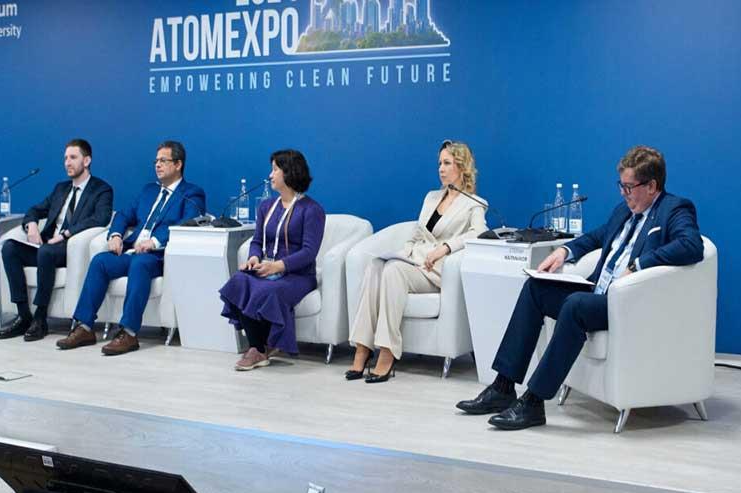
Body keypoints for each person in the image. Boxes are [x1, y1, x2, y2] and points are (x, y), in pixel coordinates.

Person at [456, 145, 704, 430]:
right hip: (597, 294)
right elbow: (597, 237)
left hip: (627, 302)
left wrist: (639, 265)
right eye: (621, 186)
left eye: (629, 187)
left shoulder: (674, 209)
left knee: (575, 305)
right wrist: (564, 251)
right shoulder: (623, 211)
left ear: (651, 186)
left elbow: (691, 245)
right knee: (535, 288)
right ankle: (503, 387)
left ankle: (534, 402)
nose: (624, 194)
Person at [347, 140, 488, 383]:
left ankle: (388, 352)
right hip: (415, 262)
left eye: (447, 163)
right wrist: (403, 253)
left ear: (461, 166)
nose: (441, 169)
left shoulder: (474, 203)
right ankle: (363, 347)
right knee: (376, 265)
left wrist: (445, 248)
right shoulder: (431, 197)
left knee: (393, 271)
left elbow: (479, 232)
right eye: (439, 163)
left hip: (436, 270)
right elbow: (416, 234)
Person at [56, 141, 206, 355]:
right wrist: (116, 235)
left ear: (178, 164)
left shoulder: (191, 193)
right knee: (100, 261)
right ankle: (84, 327)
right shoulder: (149, 191)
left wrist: (155, 242)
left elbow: (187, 224)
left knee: (140, 264)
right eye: (156, 161)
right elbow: (124, 215)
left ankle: (128, 333)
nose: (157, 165)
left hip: (158, 256)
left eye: (163, 161)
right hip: (132, 251)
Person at [219, 149, 326, 371]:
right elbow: (257, 241)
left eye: (275, 169)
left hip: (298, 275)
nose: (270, 175)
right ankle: (258, 348)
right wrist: (253, 258)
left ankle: (260, 348)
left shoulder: (312, 210)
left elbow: (309, 252)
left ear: (289, 172)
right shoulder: (266, 207)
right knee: (239, 281)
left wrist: (278, 266)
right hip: (267, 268)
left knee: (267, 290)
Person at [0, 139, 113, 341]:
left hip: (69, 249)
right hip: (47, 247)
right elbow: (35, 210)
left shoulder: (101, 189)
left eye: (73, 157)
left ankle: (40, 318)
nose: (67, 163)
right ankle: (24, 315)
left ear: (86, 161)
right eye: (65, 158)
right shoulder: (61, 189)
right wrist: (31, 225)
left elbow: (101, 218)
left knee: (46, 251)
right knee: (9, 248)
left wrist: (66, 234)